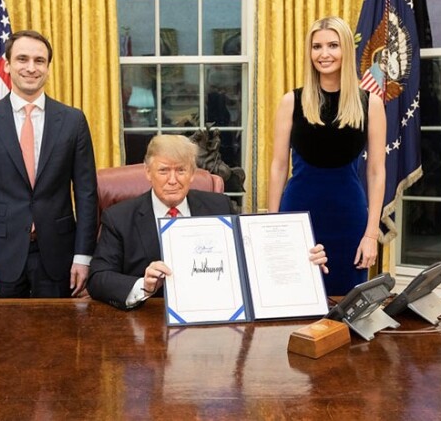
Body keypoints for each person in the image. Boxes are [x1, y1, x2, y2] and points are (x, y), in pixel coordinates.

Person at [87, 135, 328, 310]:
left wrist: (301, 257)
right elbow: (98, 278)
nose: (173, 180)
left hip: (214, 319)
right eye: (163, 171)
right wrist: (144, 285)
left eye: (181, 170)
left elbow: (253, 256)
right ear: (148, 173)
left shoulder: (218, 206)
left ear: (192, 174)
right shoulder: (119, 217)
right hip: (148, 323)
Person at [0, 30, 97, 300]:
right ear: (7, 65)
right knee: (4, 339)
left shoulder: (73, 121)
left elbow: (86, 194)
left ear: (48, 67)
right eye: (22, 59)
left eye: (39, 60)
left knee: (58, 338)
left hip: (59, 256)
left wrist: (83, 257)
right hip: (0, 257)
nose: (31, 68)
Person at [268, 16, 386, 296]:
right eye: (317, 46)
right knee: (294, 299)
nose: (324, 54)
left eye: (333, 45)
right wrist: (271, 226)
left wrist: (371, 235)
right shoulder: (291, 101)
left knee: (348, 306)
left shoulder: (370, 103)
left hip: (350, 219)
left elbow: (377, 171)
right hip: (297, 215)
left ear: (346, 48)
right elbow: (278, 166)